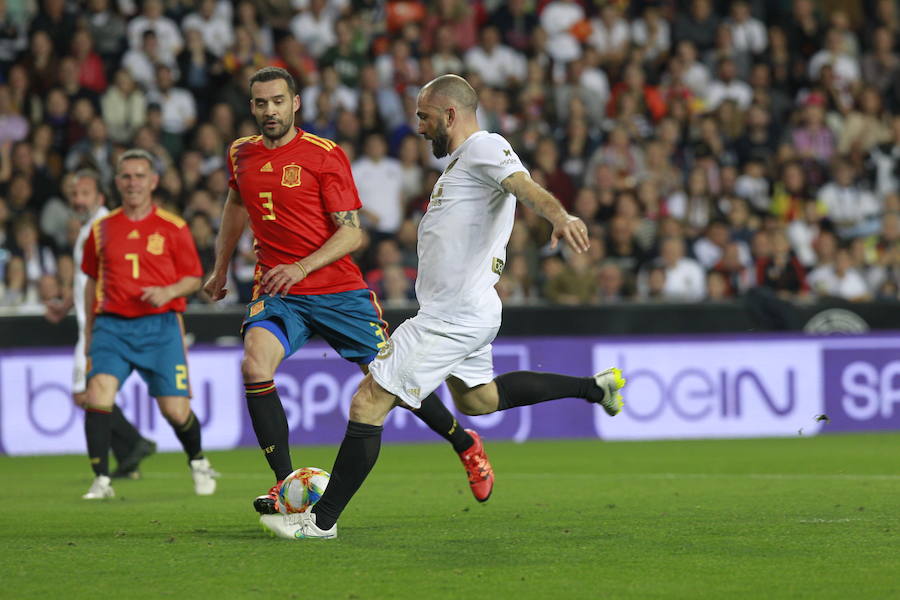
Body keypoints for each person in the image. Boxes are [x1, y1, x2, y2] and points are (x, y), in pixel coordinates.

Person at [260, 74, 626, 540]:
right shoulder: (458, 165)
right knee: (480, 399)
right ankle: (595, 389)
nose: (418, 126)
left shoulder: (483, 147)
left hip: (453, 314)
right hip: (465, 308)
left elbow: (523, 184)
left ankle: (320, 521)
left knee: (369, 400)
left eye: (424, 116)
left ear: (450, 114)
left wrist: (560, 214)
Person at [202, 67, 495, 515]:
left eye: (278, 101)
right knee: (254, 365)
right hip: (279, 289)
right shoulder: (240, 154)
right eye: (261, 103)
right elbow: (236, 203)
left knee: (394, 378)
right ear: (252, 107)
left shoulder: (324, 155)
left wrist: (302, 266)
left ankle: (463, 441)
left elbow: (352, 234)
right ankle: (285, 483)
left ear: (295, 103)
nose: (269, 110)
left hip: (338, 292)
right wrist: (221, 267)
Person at [80, 149, 218, 499]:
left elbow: (194, 277)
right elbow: (90, 282)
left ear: (153, 181)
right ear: (116, 182)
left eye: (140, 176)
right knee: (98, 396)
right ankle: (101, 480)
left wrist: (168, 290)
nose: (133, 183)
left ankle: (198, 461)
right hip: (112, 326)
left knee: (175, 410)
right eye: (126, 176)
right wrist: (88, 330)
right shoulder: (100, 229)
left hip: (160, 327)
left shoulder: (173, 227)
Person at [45, 169, 156, 481]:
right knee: (93, 393)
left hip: (97, 326)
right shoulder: (90, 229)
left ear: (100, 197)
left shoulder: (103, 228)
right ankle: (129, 453)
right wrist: (65, 305)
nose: (78, 200)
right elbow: (88, 278)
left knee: (85, 395)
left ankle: (134, 443)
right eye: (74, 195)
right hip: (91, 322)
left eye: (84, 194)